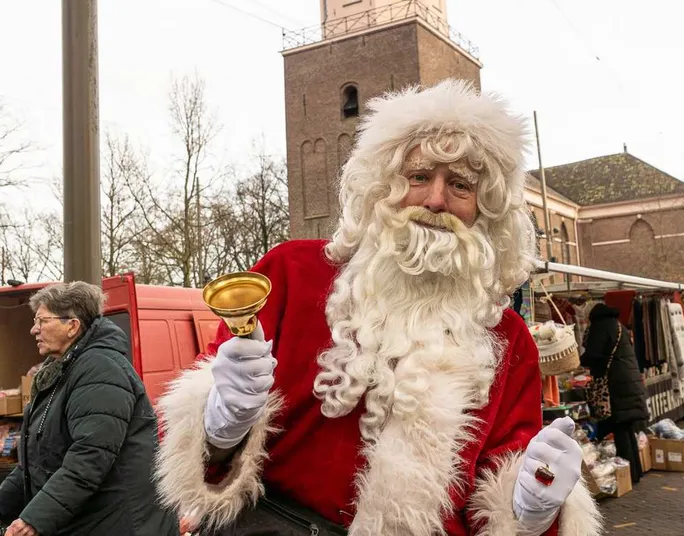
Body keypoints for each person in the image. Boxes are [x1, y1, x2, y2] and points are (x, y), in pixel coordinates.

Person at [154, 80, 602, 536]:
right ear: (381, 184)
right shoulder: (291, 273)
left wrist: (531, 511)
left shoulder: (508, 340)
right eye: (419, 176)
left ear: (485, 210)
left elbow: (506, 478)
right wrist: (218, 428)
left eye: (461, 185)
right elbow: (203, 459)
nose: (435, 200)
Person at [0, 282, 178, 536]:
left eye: (41, 321)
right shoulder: (61, 371)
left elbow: (90, 456)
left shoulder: (100, 368)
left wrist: (34, 520)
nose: (33, 330)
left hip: (120, 524)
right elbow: (36, 464)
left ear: (72, 326)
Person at [580, 301, 649, 484]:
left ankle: (627, 474)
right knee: (625, 429)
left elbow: (594, 355)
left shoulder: (600, 326)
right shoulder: (617, 324)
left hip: (616, 385)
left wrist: (579, 360)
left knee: (620, 430)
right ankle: (635, 472)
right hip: (626, 383)